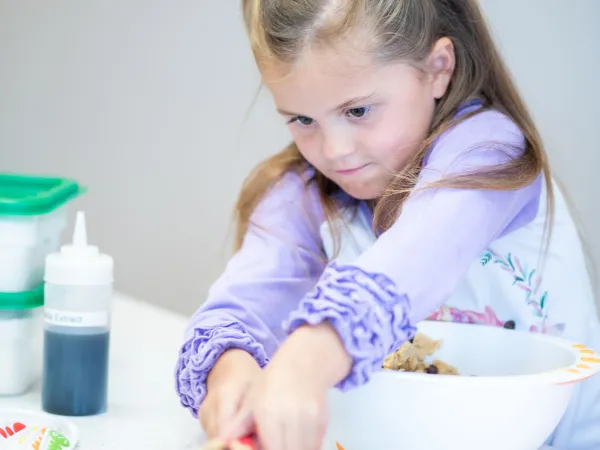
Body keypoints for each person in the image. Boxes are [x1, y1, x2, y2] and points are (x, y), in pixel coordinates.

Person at [175, 1, 600, 449]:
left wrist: (306, 359)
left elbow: (422, 252)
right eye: (303, 120)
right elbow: (243, 300)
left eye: (358, 111)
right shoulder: (301, 192)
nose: (335, 151)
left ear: (438, 69)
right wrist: (229, 371)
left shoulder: (490, 151)